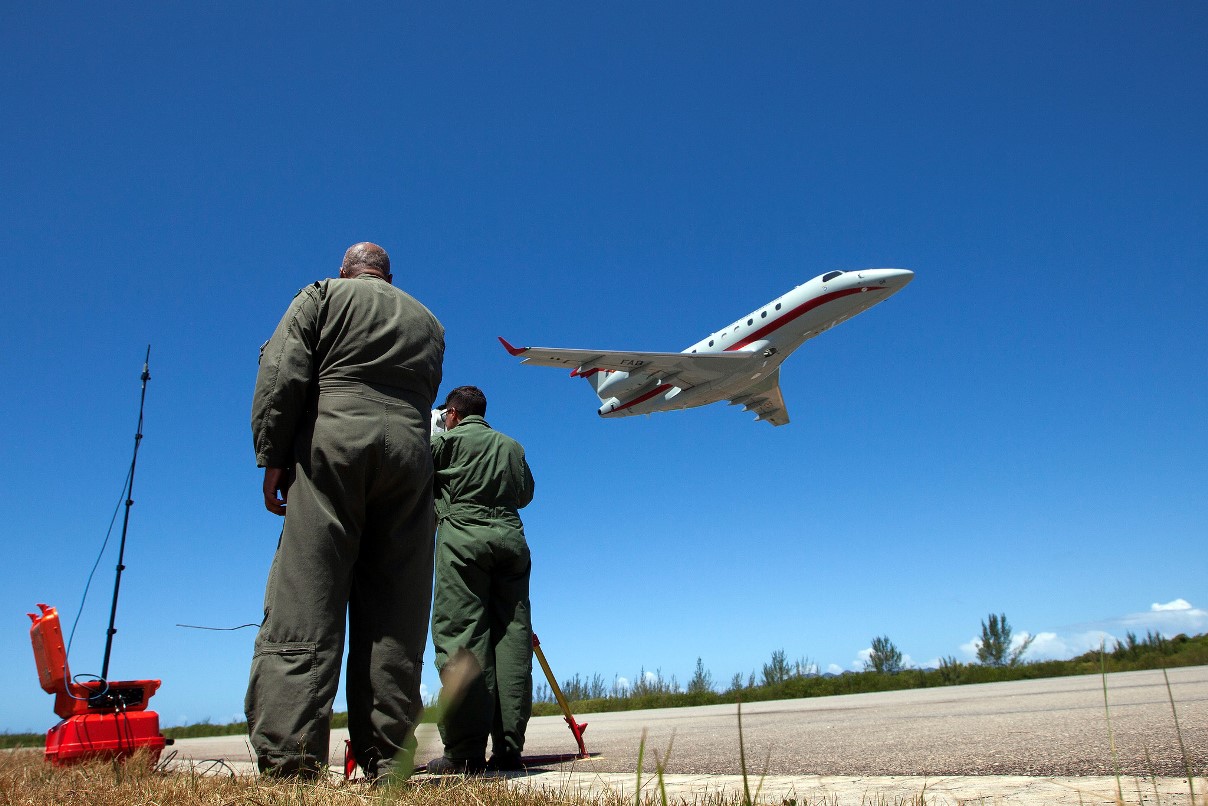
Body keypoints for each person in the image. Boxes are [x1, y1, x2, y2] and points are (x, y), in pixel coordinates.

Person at [247, 242, 444, 780]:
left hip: (333, 443)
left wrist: (273, 454)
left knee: (308, 593)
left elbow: (282, 372)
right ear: (388, 277)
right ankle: (389, 756)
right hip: (411, 455)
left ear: (346, 271)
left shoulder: (322, 296)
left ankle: (291, 759)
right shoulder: (429, 322)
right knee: (396, 607)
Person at [427, 386, 535, 774]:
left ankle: (464, 751)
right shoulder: (511, 446)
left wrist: (434, 436)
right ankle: (508, 748)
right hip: (510, 541)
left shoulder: (445, 443)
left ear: (453, 414)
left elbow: (416, 477)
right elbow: (525, 494)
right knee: (512, 638)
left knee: (463, 634)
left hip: (462, 543)